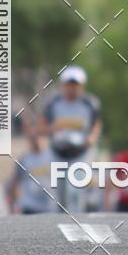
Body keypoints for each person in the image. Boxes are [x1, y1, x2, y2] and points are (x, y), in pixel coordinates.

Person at [39, 66, 101, 213]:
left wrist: (92, 137)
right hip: (58, 152)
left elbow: (96, 124)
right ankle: (62, 224)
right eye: (69, 84)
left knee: (74, 189)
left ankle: (77, 221)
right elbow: (42, 126)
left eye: (76, 85)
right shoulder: (53, 102)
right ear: (63, 85)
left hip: (80, 153)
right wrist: (51, 129)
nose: (72, 88)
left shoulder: (90, 103)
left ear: (82, 86)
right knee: (59, 193)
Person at [8, 124, 56, 214]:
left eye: (38, 136)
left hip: (49, 206)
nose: (37, 140)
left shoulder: (53, 157)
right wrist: (13, 204)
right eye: (33, 138)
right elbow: (16, 181)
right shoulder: (25, 159)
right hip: (30, 206)